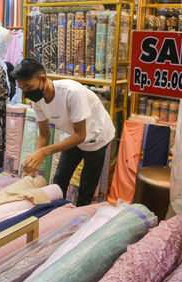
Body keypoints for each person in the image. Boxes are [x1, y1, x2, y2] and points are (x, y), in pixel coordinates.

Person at [13, 58, 115, 206]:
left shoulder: (72, 92)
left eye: (28, 87)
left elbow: (81, 136)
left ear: (43, 79)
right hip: (74, 134)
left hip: (96, 135)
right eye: (22, 88)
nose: (26, 93)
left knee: (87, 185)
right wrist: (35, 160)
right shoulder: (38, 100)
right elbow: (44, 134)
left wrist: (44, 152)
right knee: (60, 179)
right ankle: (57, 213)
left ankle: (80, 218)